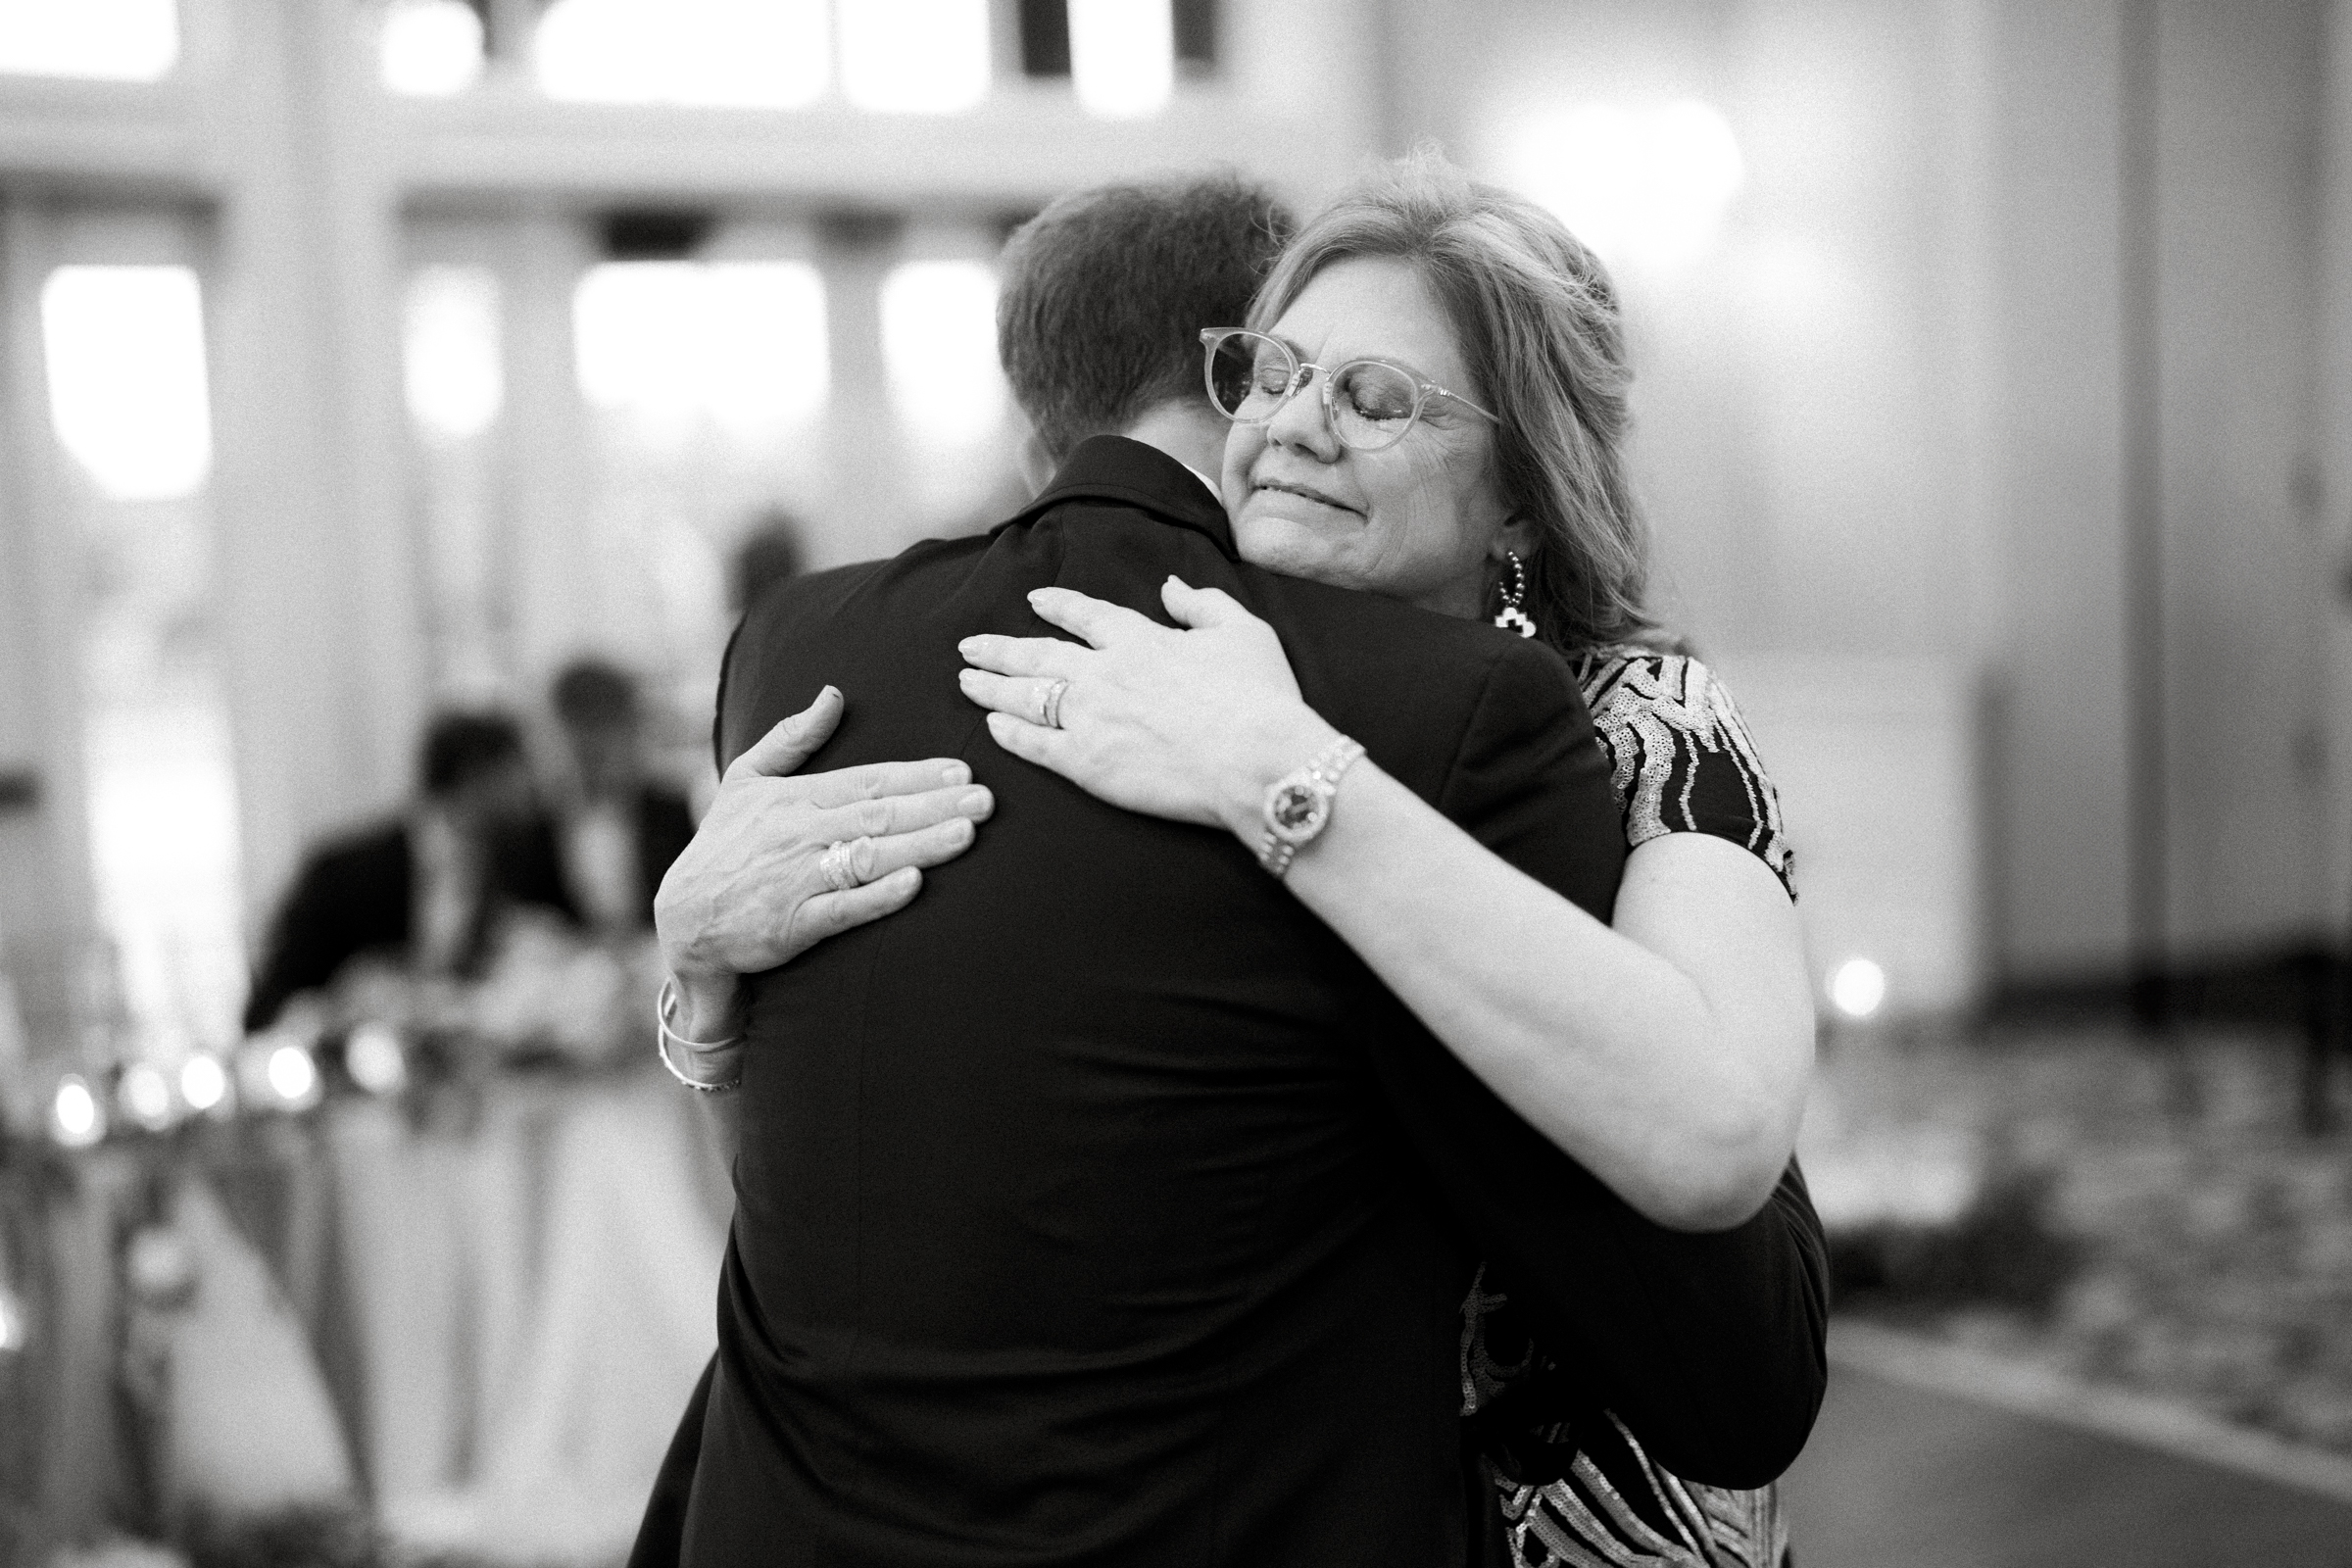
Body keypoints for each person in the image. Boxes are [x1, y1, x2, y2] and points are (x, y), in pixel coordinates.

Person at [638, 173, 1824, 1568]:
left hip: (1600, 1499)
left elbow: (1724, 1184)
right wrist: (700, 982)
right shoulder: (1177, 678)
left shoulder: (1635, 720)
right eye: (1275, 370)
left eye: (1377, 397)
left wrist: (1277, 770)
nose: (1290, 424)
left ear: (1523, 494)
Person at [243, 710, 575, 1033]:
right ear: (476, 774)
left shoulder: (520, 860)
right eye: (519, 769)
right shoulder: (345, 872)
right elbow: (270, 1005)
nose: (533, 785)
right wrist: (343, 1006)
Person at [548, 658, 697, 935]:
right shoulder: (538, 826)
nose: (592, 747)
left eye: (603, 728)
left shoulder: (672, 812)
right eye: (578, 731)